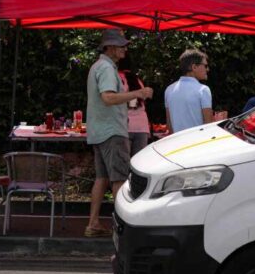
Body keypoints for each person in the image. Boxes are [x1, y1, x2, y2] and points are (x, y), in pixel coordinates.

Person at [85, 29, 152, 237]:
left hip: (99, 131)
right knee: (120, 180)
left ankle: (93, 223)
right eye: (121, 45)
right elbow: (108, 97)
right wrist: (138, 93)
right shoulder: (106, 68)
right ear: (111, 48)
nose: (125, 49)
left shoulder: (98, 66)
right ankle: (122, 229)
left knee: (101, 178)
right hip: (112, 131)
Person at [164, 49, 214, 133]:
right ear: (194, 67)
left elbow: (169, 124)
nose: (207, 69)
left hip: (176, 143)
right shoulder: (203, 90)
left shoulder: (169, 89)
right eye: (205, 66)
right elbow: (208, 125)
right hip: (197, 143)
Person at [119, 67, 151, 155]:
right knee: (138, 162)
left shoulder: (117, 78)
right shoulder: (138, 80)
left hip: (125, 125)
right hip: (142, 126)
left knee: (124, 163)